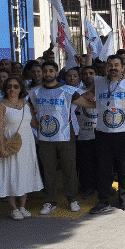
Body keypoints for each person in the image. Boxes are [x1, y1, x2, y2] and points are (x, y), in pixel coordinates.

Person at [73, 55, 125, 214]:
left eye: (116, 65)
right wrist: (82, 102)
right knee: (103, 168)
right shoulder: (99, 82)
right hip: (103, 132)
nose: (113, 68)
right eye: (110, 65)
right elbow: (86, 99)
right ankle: (103, 201)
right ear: (106, 67)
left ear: (122, 67)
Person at [29, 61, 80, 215]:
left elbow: (86, 103)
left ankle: (72, 199)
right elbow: (28, 108)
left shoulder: (68, 90)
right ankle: (50, 201)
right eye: (45, 71)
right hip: (45, 138)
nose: (47, 73)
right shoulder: (35, 92)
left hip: (65, 135)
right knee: (48, 170)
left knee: (69, 169)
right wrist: (34, 121)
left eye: (51, 70)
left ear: (57, 73)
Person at [0, 76, 43, 220]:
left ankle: (22, 206)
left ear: (21, 88)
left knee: (25, 173)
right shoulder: (0, 106)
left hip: (27, 144)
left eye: (16, 86)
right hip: (9, 144)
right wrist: (1, 148)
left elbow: (34, 124)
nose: (12, 89)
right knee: (10, 173)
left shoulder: (26, 104)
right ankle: (13, 208)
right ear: (5, 89)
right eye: (9, 86)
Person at [76, 66, 98, 199]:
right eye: (85, 74)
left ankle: (102, 186)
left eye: (91, 73)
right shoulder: (76, 92)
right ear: (81, 77)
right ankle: (87, 188)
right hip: (83, 134)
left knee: (101, 163)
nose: (88, 76)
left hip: (100, 132)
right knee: (86, 163)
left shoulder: (102, 90)